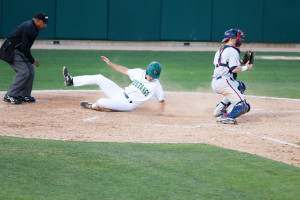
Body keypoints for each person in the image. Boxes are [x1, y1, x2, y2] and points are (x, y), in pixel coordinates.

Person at [62, 56, 165, 112]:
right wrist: (111, 64)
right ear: (147, 71)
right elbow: (125, 70)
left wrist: (160, 113)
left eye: (154, 77)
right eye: (150, 75)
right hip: (120, 93)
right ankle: (71, 80)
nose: (152, 78)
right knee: (99, 78)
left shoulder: (156, 86)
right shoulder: (139, 72)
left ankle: (92, 106)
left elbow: (161, 100)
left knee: (101, 102)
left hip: (128, 105)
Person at [1, 12, 49, 104]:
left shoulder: (33, 27)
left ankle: (24, 95)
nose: (45, 24)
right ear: (37, 20)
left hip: (18, 50)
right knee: (23, 72)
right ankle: (10, 95)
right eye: (44, 22)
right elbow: (25, 48)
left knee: (30, 70)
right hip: (10, 50)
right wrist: (32, 60)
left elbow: (24, 48)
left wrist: (31, 61)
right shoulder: (29, 28)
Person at [211, 29, 253, 124]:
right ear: (230, 39)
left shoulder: (221, 50)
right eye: (237, 38)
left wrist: (241, 62)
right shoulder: (233, 51)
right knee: (243, 106)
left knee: (241, 87)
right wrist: (246, 67)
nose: (240, 40)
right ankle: (226, 117)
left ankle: (219, 109)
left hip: (216, 82)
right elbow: (234, 69)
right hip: (224, 82)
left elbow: (225, 64)